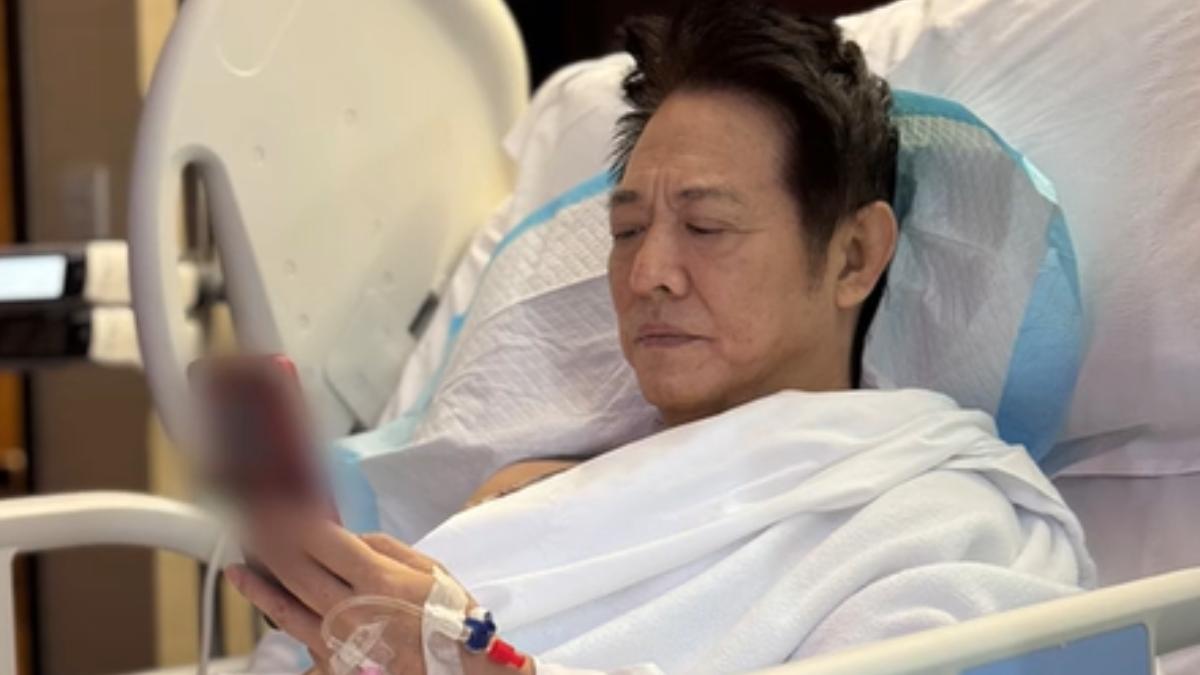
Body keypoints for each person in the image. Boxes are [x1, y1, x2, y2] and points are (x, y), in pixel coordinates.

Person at [228, 3, 1093, 673]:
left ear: (854, 255)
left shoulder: (938, 518)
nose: (649, 274)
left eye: (706, 226)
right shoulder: (528, 493)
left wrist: (475, 662)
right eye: (628, 230)